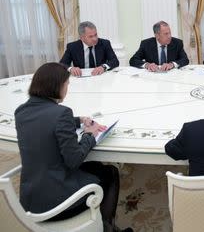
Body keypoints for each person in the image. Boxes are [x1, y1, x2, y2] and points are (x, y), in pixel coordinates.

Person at [14, 63, 131, 232]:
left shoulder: (21, 111)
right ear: (57, 86)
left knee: (96, 167)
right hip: (58, 202)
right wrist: (89, 135)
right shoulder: (61, 113)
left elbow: (45, 120)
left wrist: (78, 120)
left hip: (31, 198)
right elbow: (74, 160)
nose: (67, 89)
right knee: (110, 172)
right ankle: (107, 227)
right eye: (67, 85)